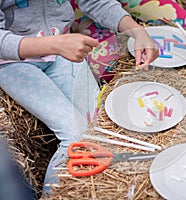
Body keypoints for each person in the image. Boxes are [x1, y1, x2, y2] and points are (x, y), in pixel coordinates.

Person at [0, 0, 158, 197]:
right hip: (13, 62)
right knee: (74, 135)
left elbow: (96, 2)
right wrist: (55, 44)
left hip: (61, 53)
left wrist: (137, 31)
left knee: (98, 127)